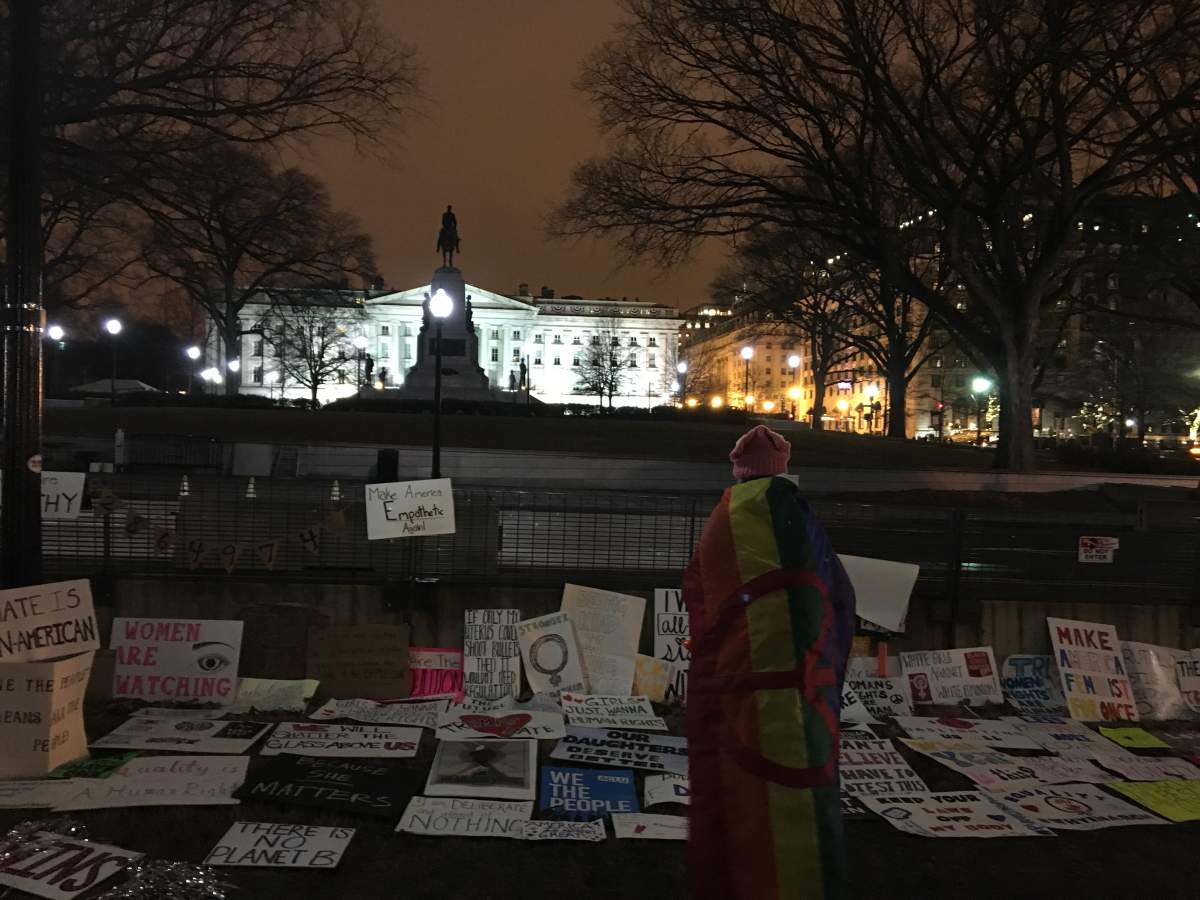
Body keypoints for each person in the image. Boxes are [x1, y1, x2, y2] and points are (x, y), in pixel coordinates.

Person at [682, 425, 856, 900]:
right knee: (802, 804)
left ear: (739, 471)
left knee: (743, 802)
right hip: (805, 694)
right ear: (783, 470)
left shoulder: (725, 519)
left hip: (741, 689)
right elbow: (838, 597)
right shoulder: (801, 521)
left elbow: (700, 596)